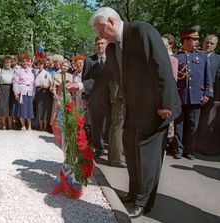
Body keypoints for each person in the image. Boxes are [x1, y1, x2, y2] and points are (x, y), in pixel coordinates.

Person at [67, 7, 181, 218]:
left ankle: (143, 202)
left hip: (157, 107)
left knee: (147, 156)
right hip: (133, 109)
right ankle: (134, 193)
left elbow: (161, 64)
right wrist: (81, 86)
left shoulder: (141, 31)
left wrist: (165, 102)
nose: (99, 36)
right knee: (131, 152)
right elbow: (103, 78)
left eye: (100, 30)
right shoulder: (112, 49)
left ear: (110, 21)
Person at [174, 26, 213, 160]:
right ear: (185, 40)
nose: (197, 42)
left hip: (197, 96)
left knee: (193, 125)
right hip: (180, 96)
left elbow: (208, 77)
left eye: (197, 40)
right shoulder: (177, 57)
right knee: (179, 124)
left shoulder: (202, 57)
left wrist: (207, 93)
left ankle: (189, 150)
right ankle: (178, 149)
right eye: (194, 39)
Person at [82, 36, 110, 159]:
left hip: (110, 98)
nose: (100, 46)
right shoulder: (89, 60)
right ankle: (99, 148)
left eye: (102, 43)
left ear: (106, 44)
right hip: (94, 98)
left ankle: (108, 146)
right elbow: (85, 79)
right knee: (96, 125)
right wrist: (84, 97)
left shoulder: (112, 60)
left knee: (109, 124)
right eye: (97, 44)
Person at [195, 34, 220, 155]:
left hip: (211, 97)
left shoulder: (218, 59)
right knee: (194, 120)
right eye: (207, 42)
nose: (208, 45)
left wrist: (217, 98)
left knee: (206, 122)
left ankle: (202, 147)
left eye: (212, 43)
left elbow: (218, 80)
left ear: (216, 45)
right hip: (195, 94)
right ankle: (190, 145)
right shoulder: (195, 55)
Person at [12, 53, 36, 130]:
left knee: (29, 108)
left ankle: (29, 126)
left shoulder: (33, 71)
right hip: (21, 91)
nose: (25, 63)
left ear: (29, 62)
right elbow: (15, 82)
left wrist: (34, 93)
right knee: (22, 108)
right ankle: (23, 125)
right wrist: (16, 93)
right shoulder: (18, 71)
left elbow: (34, 83)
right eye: (23, 61)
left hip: (30, 92)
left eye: (26, 61)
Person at [50, 59, 73, 126]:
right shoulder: (56, 76)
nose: (65, 67)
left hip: (67, 96)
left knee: (67, 113)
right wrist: (55, 95)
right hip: (58, 96)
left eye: (67, 66)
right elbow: (52, 88)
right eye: (64, 66)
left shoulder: (71, 76)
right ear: (61, 66)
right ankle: (56, 130)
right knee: (57, 113)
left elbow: (72, 88)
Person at [0, 55, 14, 129]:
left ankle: (10, 126)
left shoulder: (13, 70)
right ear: (3, 63)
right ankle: (3, 125)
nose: (8, 64)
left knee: (10, 108)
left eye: (9, 62)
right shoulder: (0, 70)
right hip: (2, 90)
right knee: (3, 108)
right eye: (6, 62)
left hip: (11, 90)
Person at [35, 58, 53, 131]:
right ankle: (40, 126)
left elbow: (51, 84)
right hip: (38, 91)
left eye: (41, 65)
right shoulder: (36, 73)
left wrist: (47, 86)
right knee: (39, 109)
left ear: (43, 65)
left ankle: (45, 127)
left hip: (46, 92)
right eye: (38, 65)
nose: (40, 66)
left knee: (45, 109)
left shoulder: (47, 73)